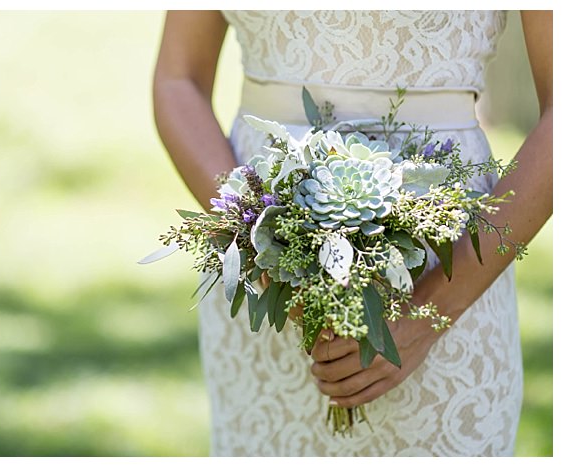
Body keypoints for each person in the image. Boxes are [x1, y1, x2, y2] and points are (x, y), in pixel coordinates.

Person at [153, 11, 552, 456]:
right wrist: (259, 239)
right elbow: (178, 78)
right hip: (265, 277)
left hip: (447, 267)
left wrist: (425, 316)